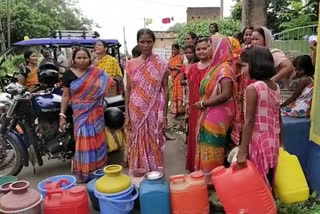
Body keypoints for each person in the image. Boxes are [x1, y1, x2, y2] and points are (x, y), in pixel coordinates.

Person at [60, 47, 113, 182]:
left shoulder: (96, 73)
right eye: (79, 57)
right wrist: (62, 115)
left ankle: (99, 170)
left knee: (97, 140)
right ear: (74, 59)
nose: (82, 60)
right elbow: (66, 96)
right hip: (80, 113)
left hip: (96, 111)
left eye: (85, 57)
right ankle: (85, 172)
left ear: (89, 59)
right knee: (83, 140)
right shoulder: (68, 75)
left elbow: (108, 83)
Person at [194, 35, 237, 182]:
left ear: (219, 48)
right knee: (208, 146)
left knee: (213, 148)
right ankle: (207, 181)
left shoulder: (225, 68)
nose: (208, 49)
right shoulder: (216, 66)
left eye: (210, 46)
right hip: (211, 112)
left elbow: (226, 93)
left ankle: (213, 182)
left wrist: (204, 104)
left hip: (218, 115)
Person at [125, 28, 169, 175]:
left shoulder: (161, 63)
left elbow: (165, 89)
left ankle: (155, 172)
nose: (145, 45)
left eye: (149, 41)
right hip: (136, 108)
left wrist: (165, 114)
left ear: (153, 42)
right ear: (138, 42)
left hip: (154, 109)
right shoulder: (130, 64)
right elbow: (128, 89)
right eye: (142, 42)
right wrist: (127, 113)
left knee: (153, 138)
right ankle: (138, 171)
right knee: (137, 138)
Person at [236, 46, 280, 187]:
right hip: (273, 138)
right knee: (269, 177)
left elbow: (249, 121)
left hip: (258, 140)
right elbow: (278, 117)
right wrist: (282, 143)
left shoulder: (253, 88)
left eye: (244, 66)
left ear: (254, 65)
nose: (242, 71)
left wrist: (242, 152)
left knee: (258, 179)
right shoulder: (275, 86)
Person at [184, 38, 211, 172]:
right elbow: (189, 86)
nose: (201, 51)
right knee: (194, 135)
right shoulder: (193, 67)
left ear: (211, 48)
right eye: (198, 49)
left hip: (210, 107)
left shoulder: (215, 67)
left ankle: (206, 169)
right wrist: (188, 103)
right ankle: (195, 167)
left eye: (204, 48)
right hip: (195, 106)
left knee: (207, 137)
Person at [169, 43, 185, 116]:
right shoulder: (171, 58)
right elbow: (169, 66)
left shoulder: (180, 57)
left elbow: (180, 67)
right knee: (174, 92)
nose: (173, 51)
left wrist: (174, 68)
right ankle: (175, 110)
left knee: (179, 92)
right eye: (172, 49)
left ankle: (181, 110)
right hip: (173, 78)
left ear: (178, 50)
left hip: (179, 77)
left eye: (174, 49)